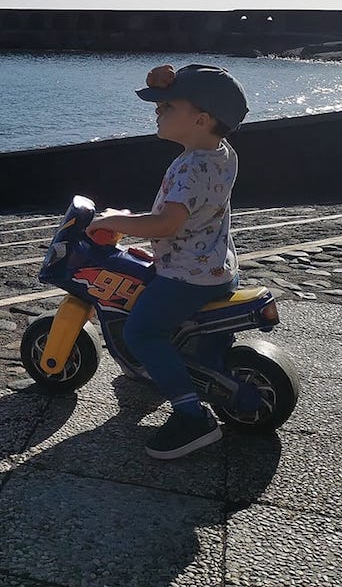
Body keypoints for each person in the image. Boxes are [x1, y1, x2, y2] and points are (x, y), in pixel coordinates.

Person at [86, 63, 249, 460]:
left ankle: (192, 416)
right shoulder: (221, 153)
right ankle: (200, 368)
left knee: (143, 333)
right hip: (216, 265)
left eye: (167, 106)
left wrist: (117, 221)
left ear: (200, 119)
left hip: (186, 275)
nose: (157, 112)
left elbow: (167, 223)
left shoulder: (191, 168)